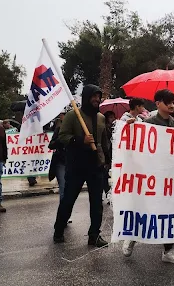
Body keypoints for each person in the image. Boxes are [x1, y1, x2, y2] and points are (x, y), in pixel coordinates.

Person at [121, 90, 174, 265]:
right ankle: (131, 236)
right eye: (168, 102)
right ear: (158, 103)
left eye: (173, 102)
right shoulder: (148, 123)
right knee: (146, 208)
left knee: (169, 211)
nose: (172, 105)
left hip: (171, 175)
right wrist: (130, 128)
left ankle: (168, 250)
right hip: (152, 175)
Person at [53, 84, 109, 248]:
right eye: (93, 96)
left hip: (96, 167)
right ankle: (58, 230)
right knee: (68, 200)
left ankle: (94, 235)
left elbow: (104, 141)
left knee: (97, 203)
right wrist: (79, 140)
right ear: (86, 97)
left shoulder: (101, 118)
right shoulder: (72, 116)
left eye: (99, 97)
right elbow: (62, 137)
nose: (97, 99)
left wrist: (107, 160)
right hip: (76, 166)